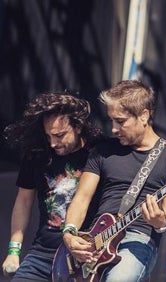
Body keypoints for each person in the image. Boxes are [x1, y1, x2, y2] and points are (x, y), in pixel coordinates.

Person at [62, 80, 166, 282]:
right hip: (96, 237)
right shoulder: (104, 150)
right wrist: (70, 234)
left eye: (120, 121)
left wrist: (160, 222)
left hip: (138, 238)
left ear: (144, 116)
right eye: (112, 120)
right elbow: (81, 199)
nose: (113, 128)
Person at [2, 91, 104, 282]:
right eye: (48, 135)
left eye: (60, 135)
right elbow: (23, 201)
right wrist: (14, 250)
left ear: (79, 126)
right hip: (42, 254)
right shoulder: (37, 155)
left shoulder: (100, 152)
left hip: (87, 256)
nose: (53, 143)